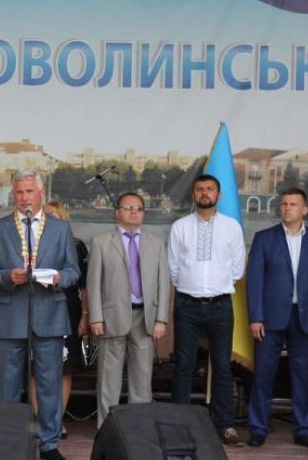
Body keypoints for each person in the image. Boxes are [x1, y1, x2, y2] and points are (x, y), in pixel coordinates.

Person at [0, 170, 80, 460]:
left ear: (41, 194)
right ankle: (8, 445)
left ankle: (49, 445)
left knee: (49, 384)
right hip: (11, 314)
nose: (25, 197)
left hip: (50, 313)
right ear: (14, 195)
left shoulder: (60, 229)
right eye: (19, 192)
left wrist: (59, 278)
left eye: (30, 191)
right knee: (7, 385)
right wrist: (6, 277)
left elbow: (74, 271)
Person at [246, 187, 308, 448]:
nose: (287, 208)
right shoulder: (264, 238)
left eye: (293, 204)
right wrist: (255, 317)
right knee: (263, 375)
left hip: (306, 318)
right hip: (268, 318)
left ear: (304, 210)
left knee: (303, 376)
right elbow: (254, 281)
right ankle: (258, 428)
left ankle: (303, 430)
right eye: (284, 204)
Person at [167, 174, 246, 446]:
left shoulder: (231, 227)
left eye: (210, 189)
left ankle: (224, 425)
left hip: (220, 305)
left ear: (218, 195)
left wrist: (215, 286)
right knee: (184, 365)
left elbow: (237, 268)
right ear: (193, 194)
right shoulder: (180, 226)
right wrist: (192, 287)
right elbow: (173, 267)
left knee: (222, 366)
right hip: (187, 305)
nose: (204, 193)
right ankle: (179, 425)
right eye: (199, 189)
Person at [87, 192, 170, 428]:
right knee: (108, 380)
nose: (134, 212)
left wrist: (161, 319)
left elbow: (163, 283)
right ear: (117, 213)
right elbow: (93, 282)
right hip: (111, 317)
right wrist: (95, 317)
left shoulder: (156, 243)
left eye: (139, 209)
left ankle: (139, 430)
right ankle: (106, 429)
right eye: (128, 208)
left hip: (145, 317)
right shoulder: (101, 242)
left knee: (142, 380)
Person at [28, 200, 89, 440]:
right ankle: (39, 420)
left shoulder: (77, 245)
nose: (51, 220)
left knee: (65, 367)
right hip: (36, 307)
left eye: (56, 216)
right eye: (47, 216)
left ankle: (56, 421)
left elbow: (84, 286)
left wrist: (85, 315)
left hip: (68, 309)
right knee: (36, 366)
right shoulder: (29, 244)